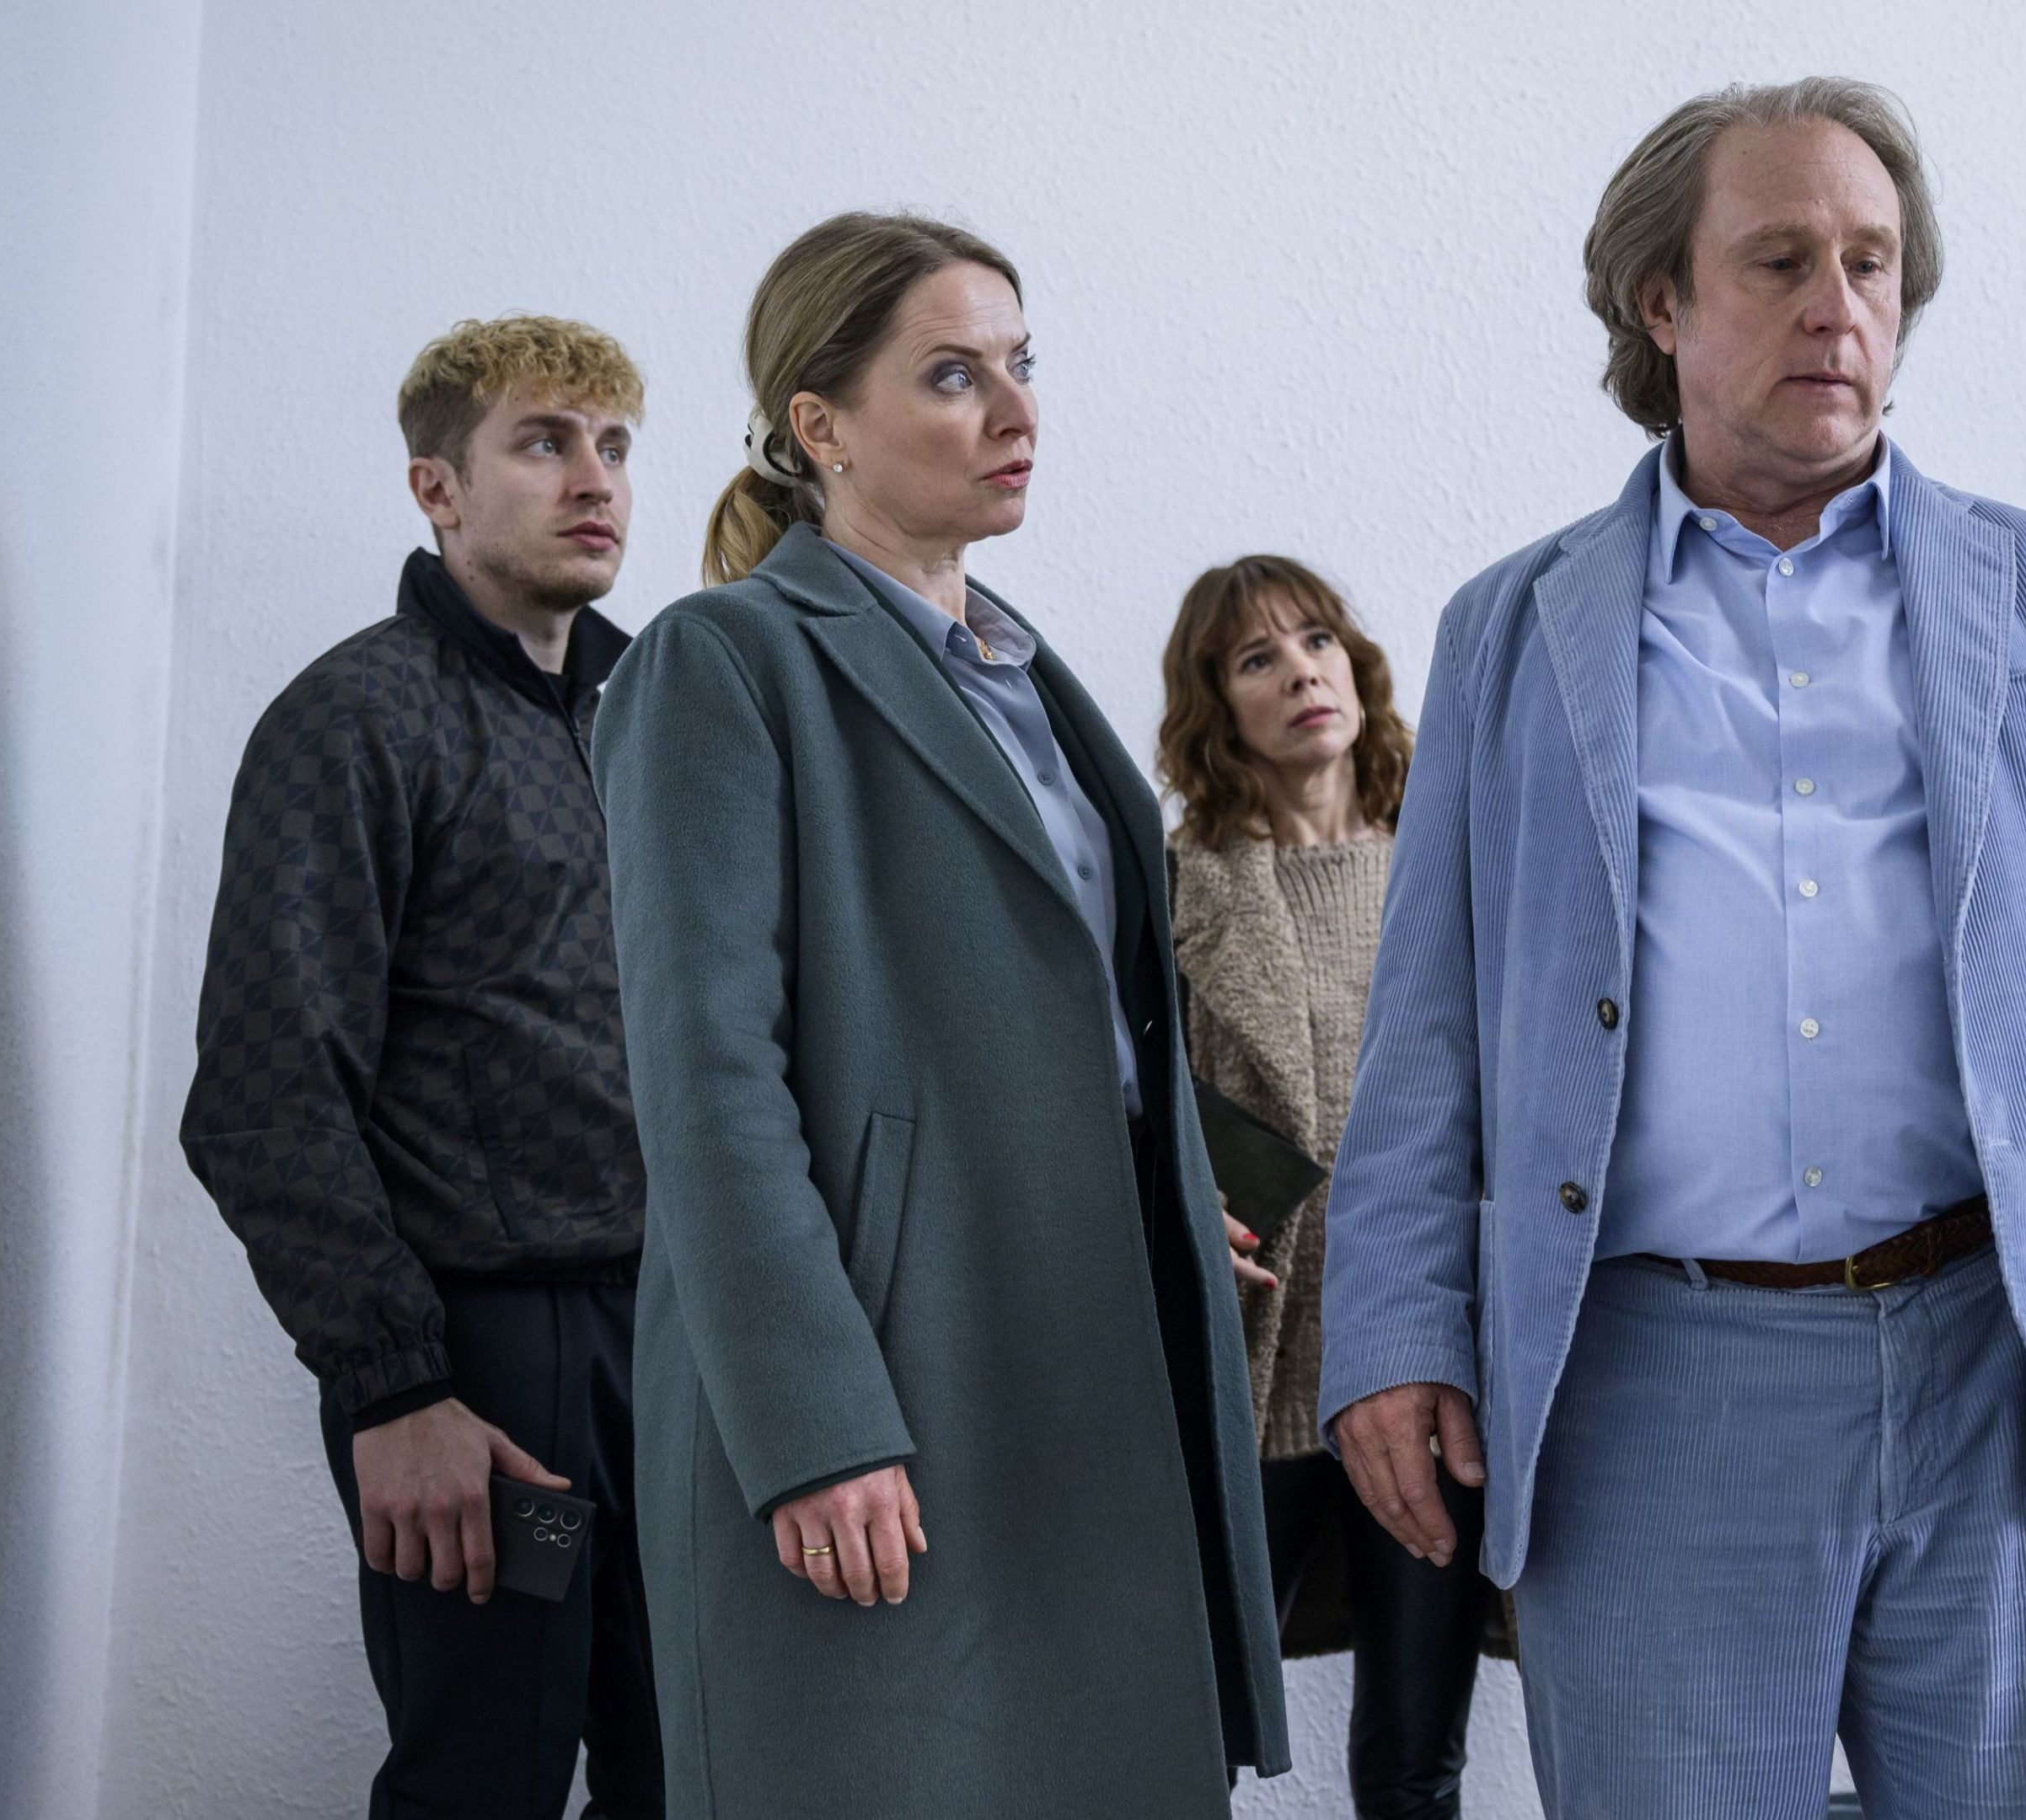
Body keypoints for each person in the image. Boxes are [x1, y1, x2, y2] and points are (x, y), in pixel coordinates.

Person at [1317, 79, 2026, 1818]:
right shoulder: (1511, 630)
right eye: (1779, 261)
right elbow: (1430, 1024)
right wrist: (1391, 1325)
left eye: (1872, 262)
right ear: (1662, 303)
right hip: (1652, 1389)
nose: (1840, 307)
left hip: (1998, 1357)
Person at [592, 211, 1289, 1817]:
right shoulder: (722, 662)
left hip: (1085, 1340)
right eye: (956, 375)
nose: (1017, 410)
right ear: (822, 424)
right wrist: (812, 1424)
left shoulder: (1032, 683)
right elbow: (708, 1077)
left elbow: (1078, 1012)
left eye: (1023, 364)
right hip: (895, 1363)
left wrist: (1167, 1188)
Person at [181, 314, 661, 1817]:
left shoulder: (652, 726)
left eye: (615, 446)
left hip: (678, 1351)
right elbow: (263, 1093)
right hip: (500, 1382)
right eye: (545, 442)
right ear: (435, 489)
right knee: (493, 1773)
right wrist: (398, 1391)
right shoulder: (359, 719)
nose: (596, 479)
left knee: (697, 1769)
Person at [1159, 555, 1504, 1818]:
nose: (1302, 671)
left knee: (1414, 1759)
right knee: (1183, 1733)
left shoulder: (1458, 868)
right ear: (1220, 706)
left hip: (1427, 1367)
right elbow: (1121, 1110)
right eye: (1258, 658)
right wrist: (1176, 1208)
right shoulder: (1175, 893)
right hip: (1257, 1372)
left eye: (1316, 640)